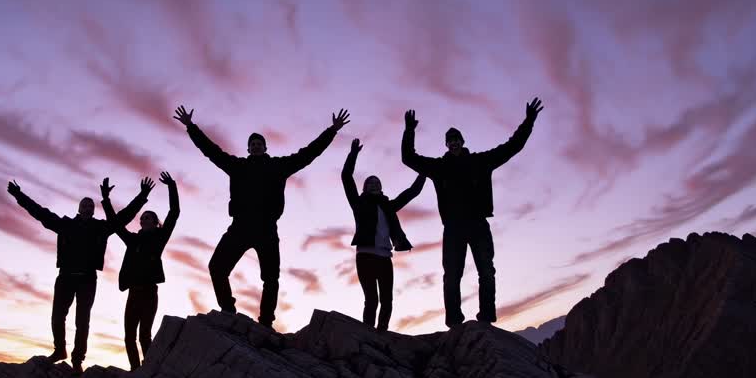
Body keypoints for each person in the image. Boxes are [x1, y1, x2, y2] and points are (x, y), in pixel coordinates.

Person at [174, 104, 350, 328]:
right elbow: (212, 151)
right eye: (252, 144)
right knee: (217, 267)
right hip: (240, 227)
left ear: (265, 147)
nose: (256, 147)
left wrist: (332, 131)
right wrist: (191, 127)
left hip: (266, 229)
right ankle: (228, 308)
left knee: (270, 279)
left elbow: (308, 154)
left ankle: (266, 321)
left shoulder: (278, 166)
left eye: (259, 144)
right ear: (248, 149)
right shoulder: (237, 166)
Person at [401, 97, 543, 327]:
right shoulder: (438, 168)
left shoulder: (481, 162)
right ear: (446, 145)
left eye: (457, 139)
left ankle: (486, 318)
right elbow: (408, 158)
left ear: (463, 141)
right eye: (450, 141)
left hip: (478, 224)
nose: (454, 143)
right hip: (453, 228)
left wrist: (529, 121)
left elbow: (512, 146)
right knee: (451, 276)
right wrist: (409, 131)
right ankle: (454, 321)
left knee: (486, 272)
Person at [7, 176, 153, 371]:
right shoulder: (65, 224)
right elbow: (40, 213)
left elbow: (123, 217)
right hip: (65, 277)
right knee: (57, 316)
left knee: (82, 321)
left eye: (91, 206)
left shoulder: (100, 228)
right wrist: (19, 195)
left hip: (87, 280)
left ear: (93, 210)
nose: (87, 208)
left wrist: (142, 195)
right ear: (79, 209)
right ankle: (60, 350)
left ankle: (77, 360)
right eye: (84, 205)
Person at [341, 138, 426, 331]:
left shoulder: (388, 206)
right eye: (370, 183)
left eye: (377, 182)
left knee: (387, 300)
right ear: (365, 187)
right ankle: (367, 334)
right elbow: (346, 177)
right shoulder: (358, 203)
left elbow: (412, 192)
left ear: (381, 187)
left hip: (385, 257)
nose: (374, 184)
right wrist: (353, 155)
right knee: (372, 299)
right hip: (365, 256)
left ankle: (382, 332)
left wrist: (424, 172)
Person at [109, 171, 179, 370]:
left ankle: (147, 369)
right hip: (133, 292)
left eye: (148, 218)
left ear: (155, 222)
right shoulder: (133, 240)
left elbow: (174, 213)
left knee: (144, 335)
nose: (144, 220)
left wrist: (171, 186)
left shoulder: (160, 237)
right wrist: (106, 200)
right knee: (129, 336)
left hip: (149, 293)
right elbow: (115, 224)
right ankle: (134, 369)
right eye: (142, 218)